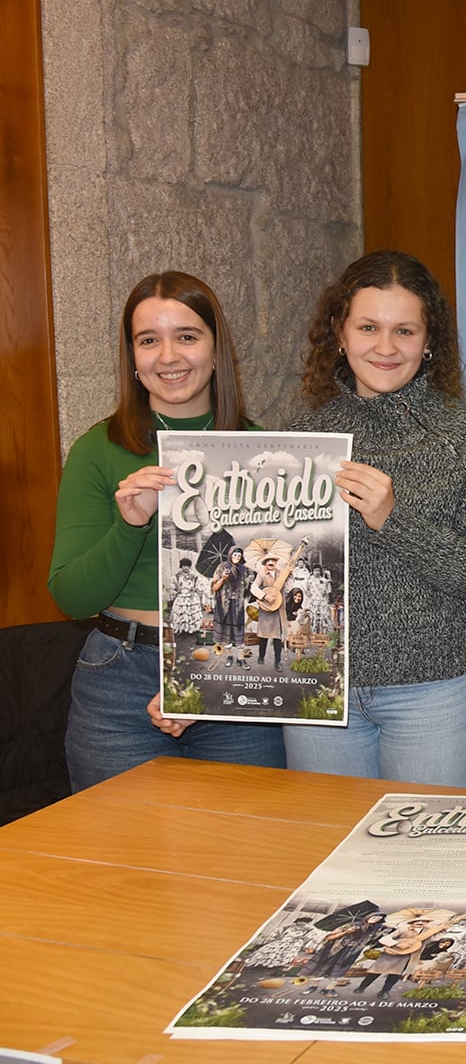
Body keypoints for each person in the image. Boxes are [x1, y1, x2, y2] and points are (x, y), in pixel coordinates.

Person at [48, 271, 286, 790]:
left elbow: (266, 590)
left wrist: (199, 683)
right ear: (132, 358)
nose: (169, 356)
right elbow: (71, 596)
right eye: (148, 340)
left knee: (246, 856)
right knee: (119, 862)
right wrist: (130, 524)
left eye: (187, 335)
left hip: (234, 673)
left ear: (216, 348)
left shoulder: (263, 451)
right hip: (121, 679)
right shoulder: (98, 449)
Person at [286, 250, 466, 788]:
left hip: (434, 696)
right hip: (319, 691)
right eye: (368, 327)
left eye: (404, 331)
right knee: (330, 859)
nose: (385, 347)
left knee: (434, 867)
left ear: (429, 341)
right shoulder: (301, 440)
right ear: (340, 332)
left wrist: (394, 519)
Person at [211, 544, 251, 665]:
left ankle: (241, 658)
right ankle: (229, 657)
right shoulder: (222, 567)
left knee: (239, 631)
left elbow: (248, 588)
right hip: (224, 605)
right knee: (226, 632)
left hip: (238, 606)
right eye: (235, 555)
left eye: (239, 555)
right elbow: (214, 587)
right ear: (230, 555)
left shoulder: (245, 569)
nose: (237, 557)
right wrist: (223, 579)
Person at [167, 557, 205, 635]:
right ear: (181, 566)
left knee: (191, 613)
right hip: (181, 597)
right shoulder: (177, 576)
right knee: (181, 612)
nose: (185, 568)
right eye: (184, 566)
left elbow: (200, 585)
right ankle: (181, 629)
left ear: (190, 566)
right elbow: (172, 586)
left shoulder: (194, 576)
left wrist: (195, 589)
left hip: (191, 597)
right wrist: (176, 591)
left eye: (187, 566)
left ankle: (193, 628)